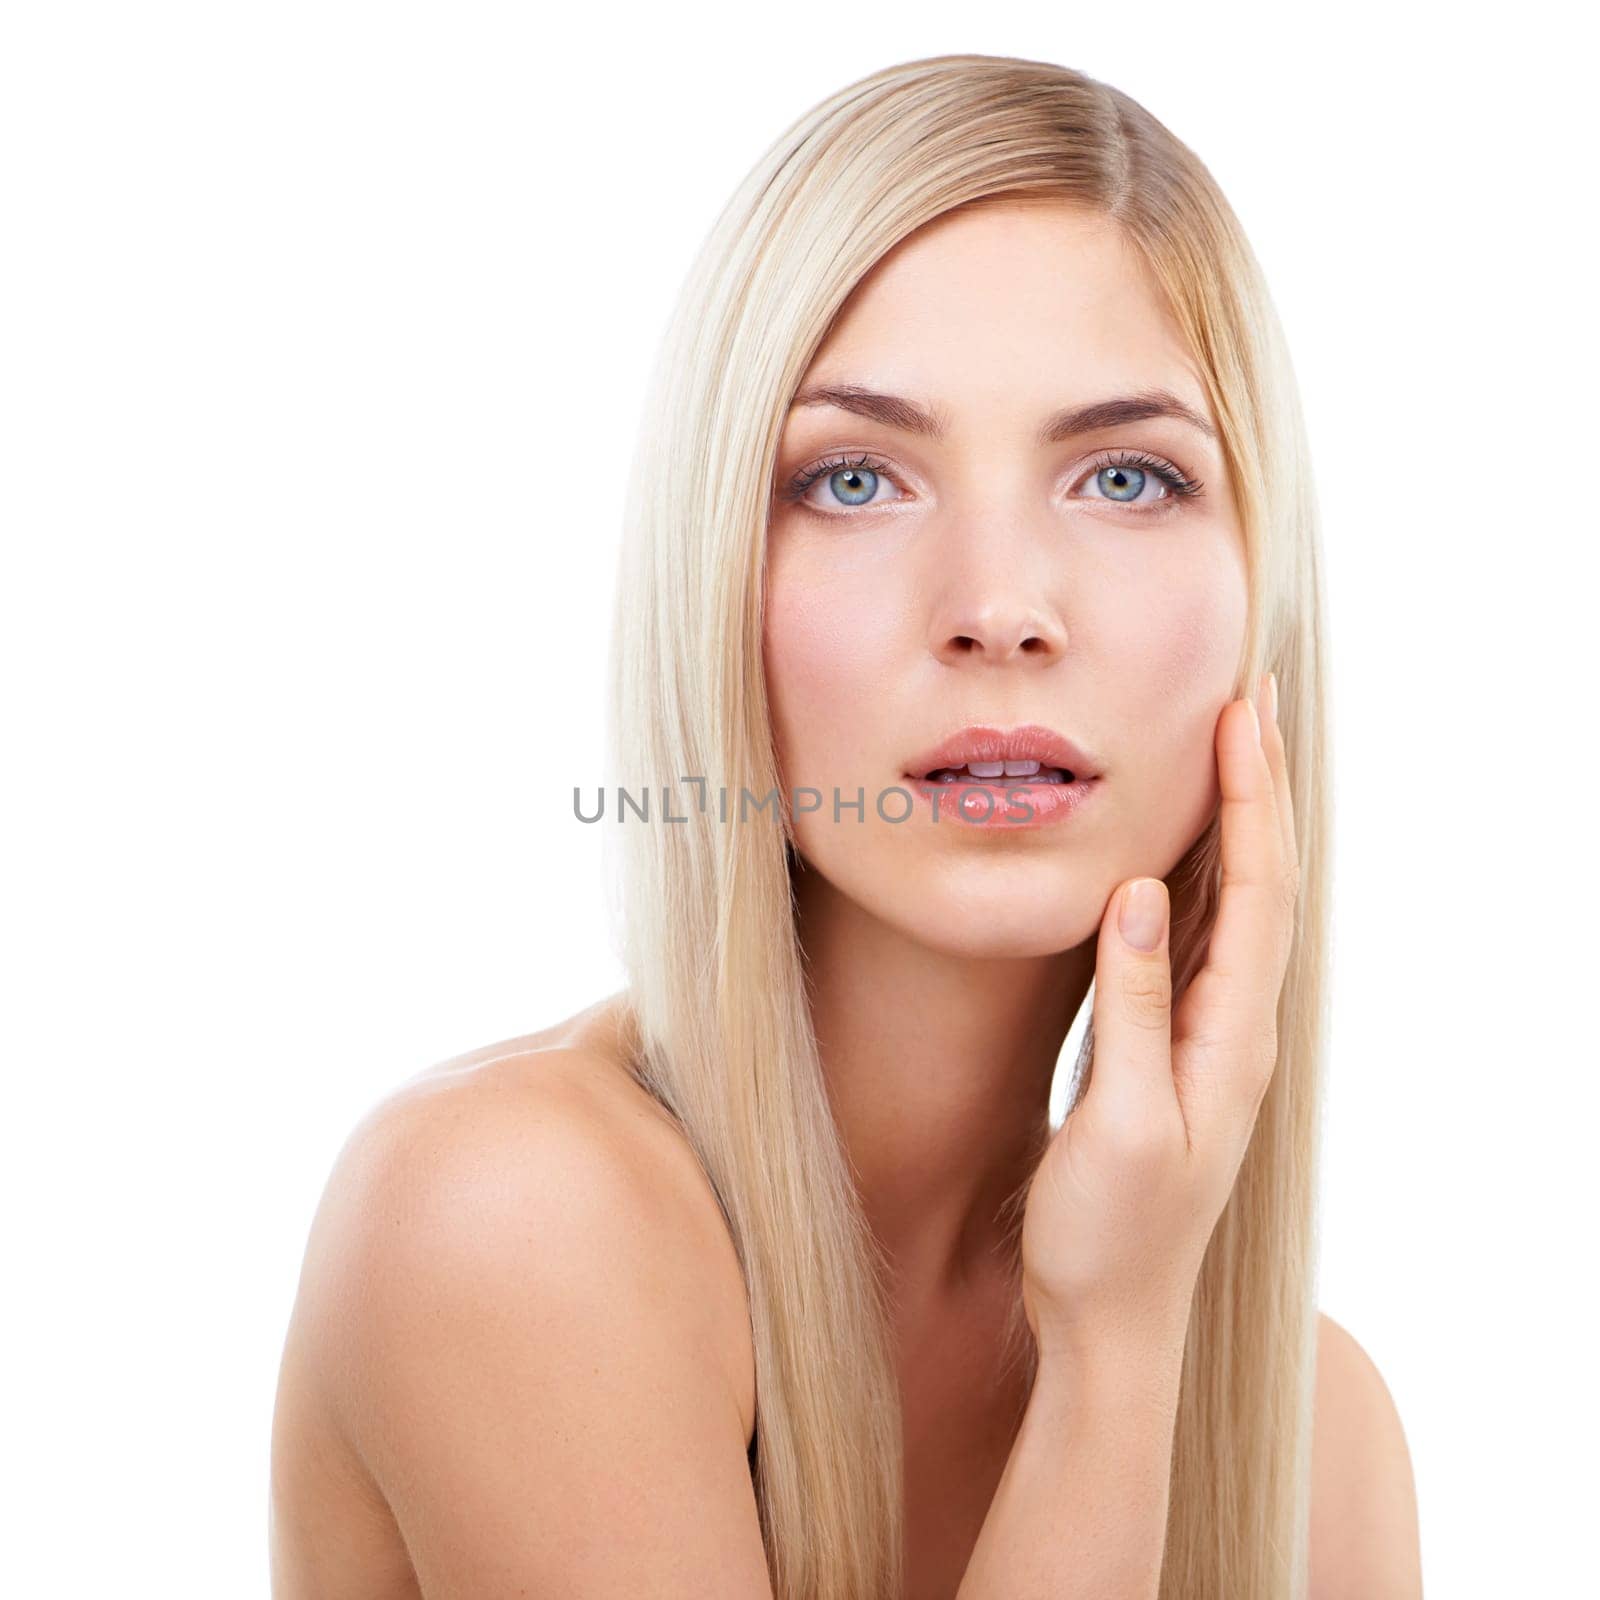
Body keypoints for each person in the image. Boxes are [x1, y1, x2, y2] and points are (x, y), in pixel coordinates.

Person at [269, 53, 1421, 1600]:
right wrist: (1113, 1366)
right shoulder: (513, 1223)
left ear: (1260, 603)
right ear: (714, 580)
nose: (1000, 609)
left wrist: (1134, 1332)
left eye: (1129, 476)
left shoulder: (1316, 1441)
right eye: (858, 478)